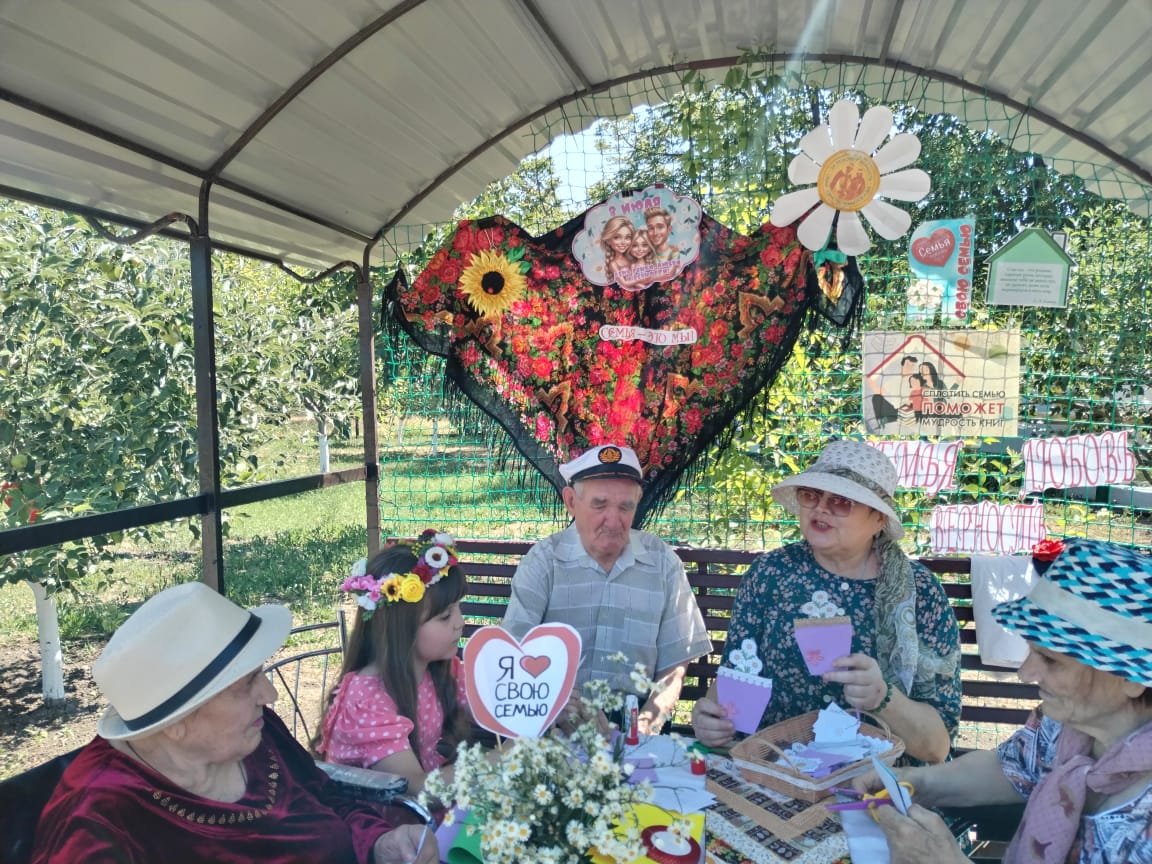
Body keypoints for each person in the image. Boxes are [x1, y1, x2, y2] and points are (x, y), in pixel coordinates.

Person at [31, 581, 436, 864]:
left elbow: (326, 798)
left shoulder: (257, 732)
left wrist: (380, 842)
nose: (270, 695)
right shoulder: (96, 821)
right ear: (176, 723)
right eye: (246, 684)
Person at [863, 537, 1152, 864]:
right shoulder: (1065, 726)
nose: (1026, 673)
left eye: (1051, 660)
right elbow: (1011, 768)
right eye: (1031, 651)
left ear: (1131, 679)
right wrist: (911, 782)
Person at [691, 440, 961, 763]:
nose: (820, 508)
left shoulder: (919, 592)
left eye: (841, 501)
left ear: (878, 520)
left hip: (874, 779)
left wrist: (883, 698)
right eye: (811, 495)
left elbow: (936, 747)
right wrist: (711, 720)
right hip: (778, 769)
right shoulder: (771, 573)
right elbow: (736, 678)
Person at [501, 443, 711, 734]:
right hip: (557, 723)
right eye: (599, 505)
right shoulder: (545, 561)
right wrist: (558, 708)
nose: (613, 521)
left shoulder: (662, 562)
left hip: (638, 724)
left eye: (625, 507)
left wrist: (643, 728)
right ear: (571, 501)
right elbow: (514, 651)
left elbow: (675, 666)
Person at [316, 530, 468, 795]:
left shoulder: (441, 670)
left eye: (458, 608)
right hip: (379, 815)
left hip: (423, 807)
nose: (460, 622)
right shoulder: (366, 701)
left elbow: (494, 703)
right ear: (402, 629)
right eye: (445, 616)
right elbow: (413, 787)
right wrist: (497, 762)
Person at [599, 215, 636, 285]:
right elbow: (625, 283)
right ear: (608, 240)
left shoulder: (632, 258)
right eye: (617, 237)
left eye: (628, 237)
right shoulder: (613, 264)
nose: (623, 242)